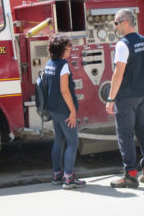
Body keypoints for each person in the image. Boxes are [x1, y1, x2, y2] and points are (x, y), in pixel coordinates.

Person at [106, 9, 144, 188]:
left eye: (116, 23)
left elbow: (118, 73)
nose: (115, 26)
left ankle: (131, 175)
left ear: (126, 22)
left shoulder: (123, 44)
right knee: (143, 132)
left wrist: (111, 99)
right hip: (143, 96)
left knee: (125, 135)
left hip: (126, 97)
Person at [45, 33, 86, 189]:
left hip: (53, 109)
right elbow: (64, 90)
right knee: (73, 142)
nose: (71, 48)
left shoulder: (49, 63)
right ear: (61, 48)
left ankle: (57, 175)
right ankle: (69, 178)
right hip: (64, 110)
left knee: (59, 141)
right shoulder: (63, 65)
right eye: (68, 46)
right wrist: (73, 111)